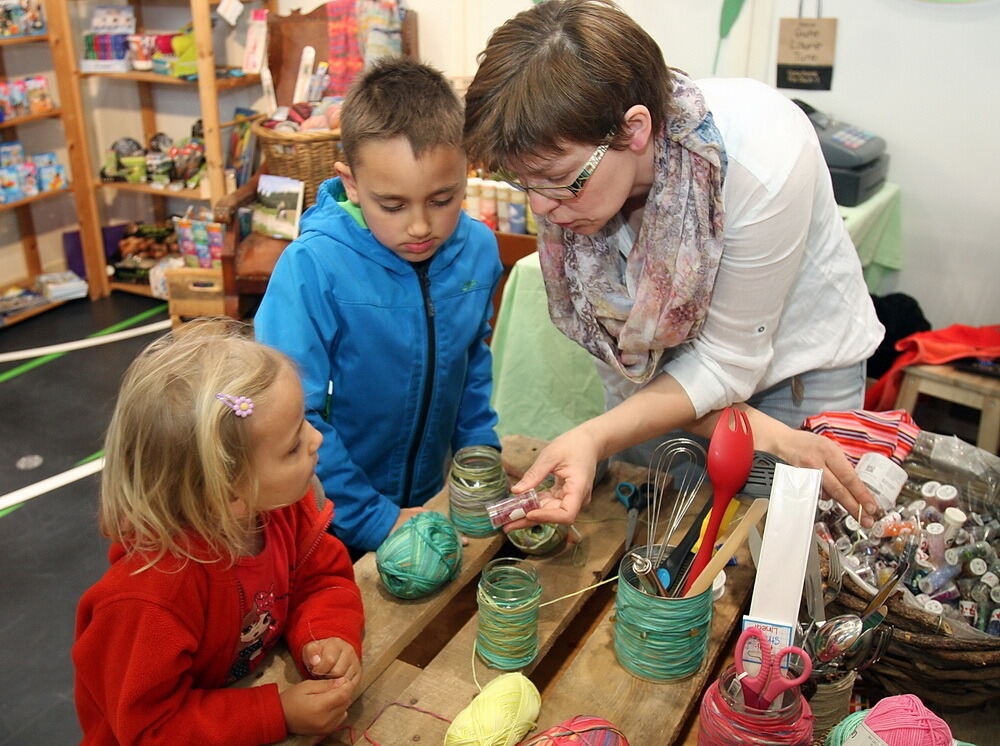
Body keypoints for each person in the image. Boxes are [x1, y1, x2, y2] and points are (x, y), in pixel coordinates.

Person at [463, 0, 885, 528]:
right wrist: (604, 434)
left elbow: (726, 363)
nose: (541, 208)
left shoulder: (760, 159)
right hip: (663, 391)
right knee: (662, 541)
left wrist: (596, 434)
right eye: (523, 182)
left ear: (634, 128)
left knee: (781, 567)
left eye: (556, 179)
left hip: (791, 383)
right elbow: (628, 356)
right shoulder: (577, 179)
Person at [73, 321, 364, 743]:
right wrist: (276, 712)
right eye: (291, 446)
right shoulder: (149, 600)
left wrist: (326, 636)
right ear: (231, 495)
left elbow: (322, 579)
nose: (316, 439)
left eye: (305, 423)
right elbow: (150, 727)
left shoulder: (283, 509)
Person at [255, 58, 502, 553]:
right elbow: (291, 416)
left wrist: (479, 454)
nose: (419, 227)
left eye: (442, 199)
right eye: (393, 205)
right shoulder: (312, 268)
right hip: (330, 519)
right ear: (350, 183)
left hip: (433, 503)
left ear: (466, 171)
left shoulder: (477, 250)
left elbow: (470, 364)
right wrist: (371, 517)